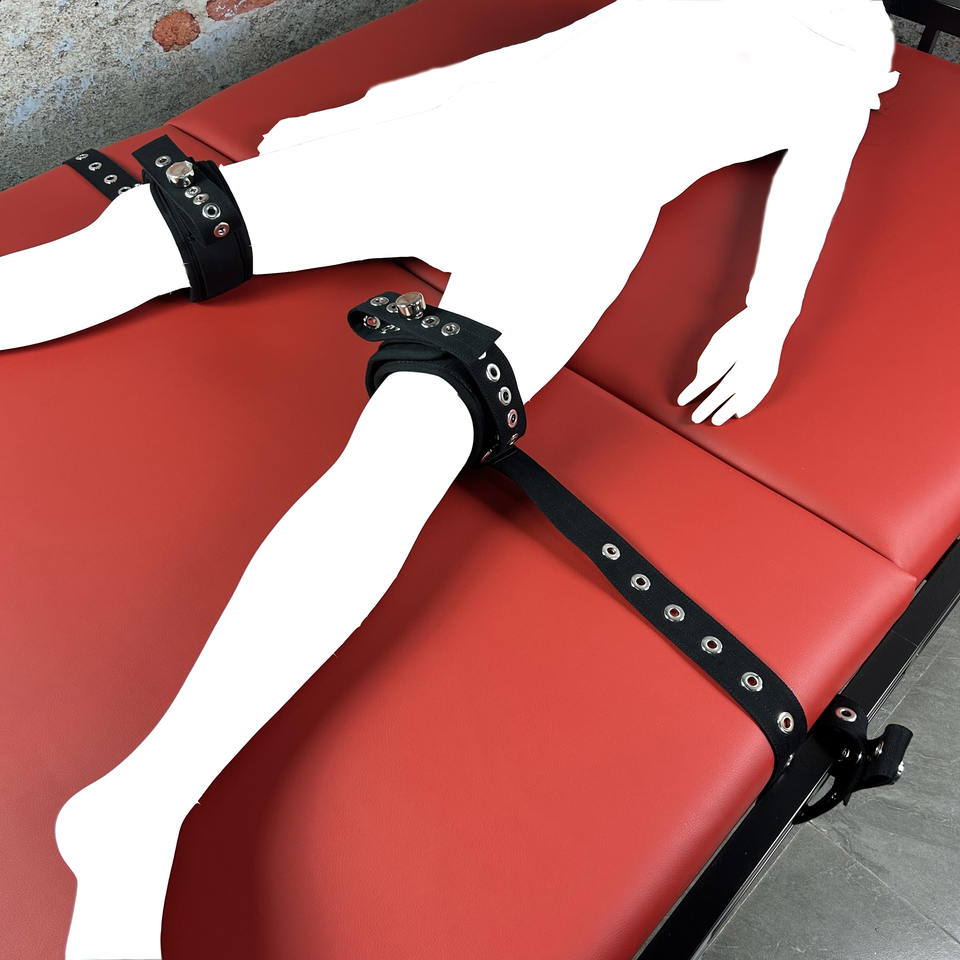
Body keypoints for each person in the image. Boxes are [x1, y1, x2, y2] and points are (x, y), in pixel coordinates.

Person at [24, 2, 899, 956]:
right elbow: (545, 55)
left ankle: (143, 804)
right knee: (139, 243)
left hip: (582, 212)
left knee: (414, 444)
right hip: (465, 139)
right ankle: (137, 813)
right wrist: (359, 116)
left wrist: (769, 314)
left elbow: (818, 168)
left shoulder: (849, 41)